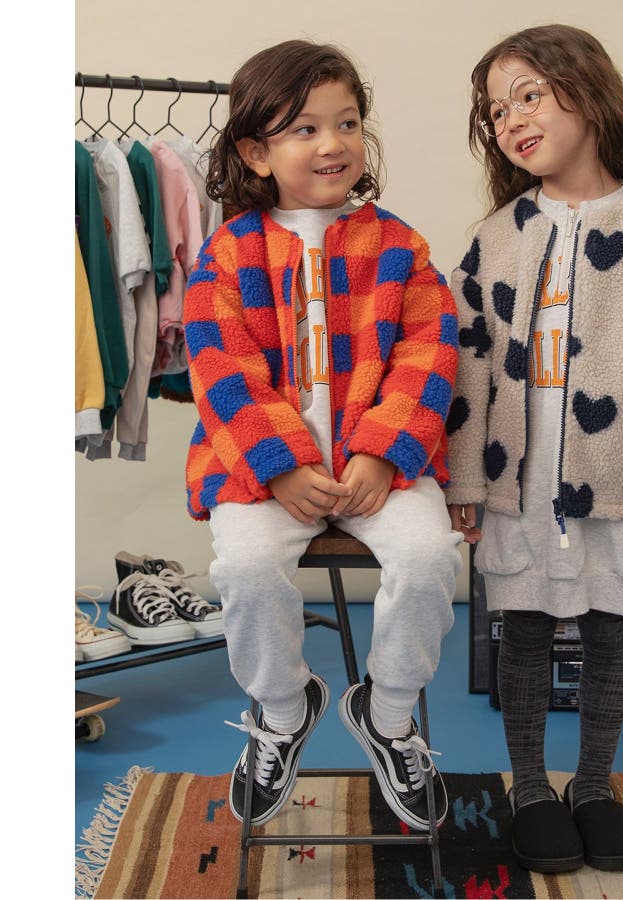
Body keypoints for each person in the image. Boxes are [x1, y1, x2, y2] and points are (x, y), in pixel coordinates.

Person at [446, 24, 623, 873]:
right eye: (498, 111)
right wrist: (463, 479)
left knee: (612, 631)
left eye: (529, 95)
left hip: (621, 475)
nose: (512, 120)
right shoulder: (497, 236)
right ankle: (532, 790)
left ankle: (595, 786)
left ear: (589, 92)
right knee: (523, 629)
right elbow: (467, 364)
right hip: (518, 476)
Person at [182, 39, 462, 831]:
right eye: (304, 129)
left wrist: (382, 451)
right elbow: (221, 368)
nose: (332, 143)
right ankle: (283, 707)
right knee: (245, 566)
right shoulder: (228, 254)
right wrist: (278, 466)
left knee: (428, 556)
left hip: (380, 469)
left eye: (347, 123)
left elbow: (430, 354)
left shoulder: (400, 248)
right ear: (256, 152)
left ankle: (389, 711)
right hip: (263, 473)